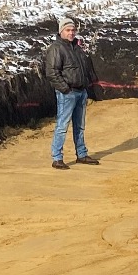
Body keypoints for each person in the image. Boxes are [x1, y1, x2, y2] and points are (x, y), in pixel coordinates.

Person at [41, 17, 100, 169]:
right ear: (61, 31)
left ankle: (81, 154)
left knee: (79, 126)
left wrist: (85, 86)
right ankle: (57, 158)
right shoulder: (56, 48)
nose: (71, 33)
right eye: (68, 30)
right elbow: (52, 72)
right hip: (68, 93)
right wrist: (65, 89)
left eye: (73, 30)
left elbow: (83, 69)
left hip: (81, 92)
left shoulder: (77, 48)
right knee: (62, 126)